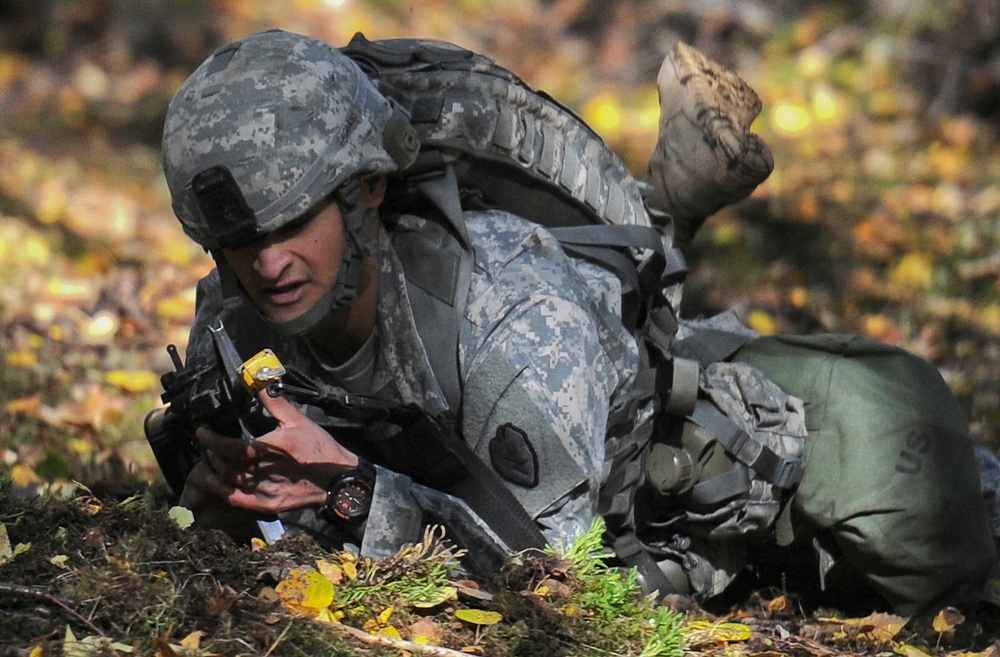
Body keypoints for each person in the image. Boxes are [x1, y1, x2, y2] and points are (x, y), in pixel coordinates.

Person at [158, 28, 996, 616]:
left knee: (936, 535)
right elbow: (264, 520)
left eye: (293, 219)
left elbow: (561, 587)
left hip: (748, 466)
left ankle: (657, 228)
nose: (267, 263)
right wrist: (224, 503)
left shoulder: (503, 305)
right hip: (575, 437)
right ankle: (662, 216)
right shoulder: (234, 326)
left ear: (365, 189)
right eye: (238, 238)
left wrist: (347, 493)